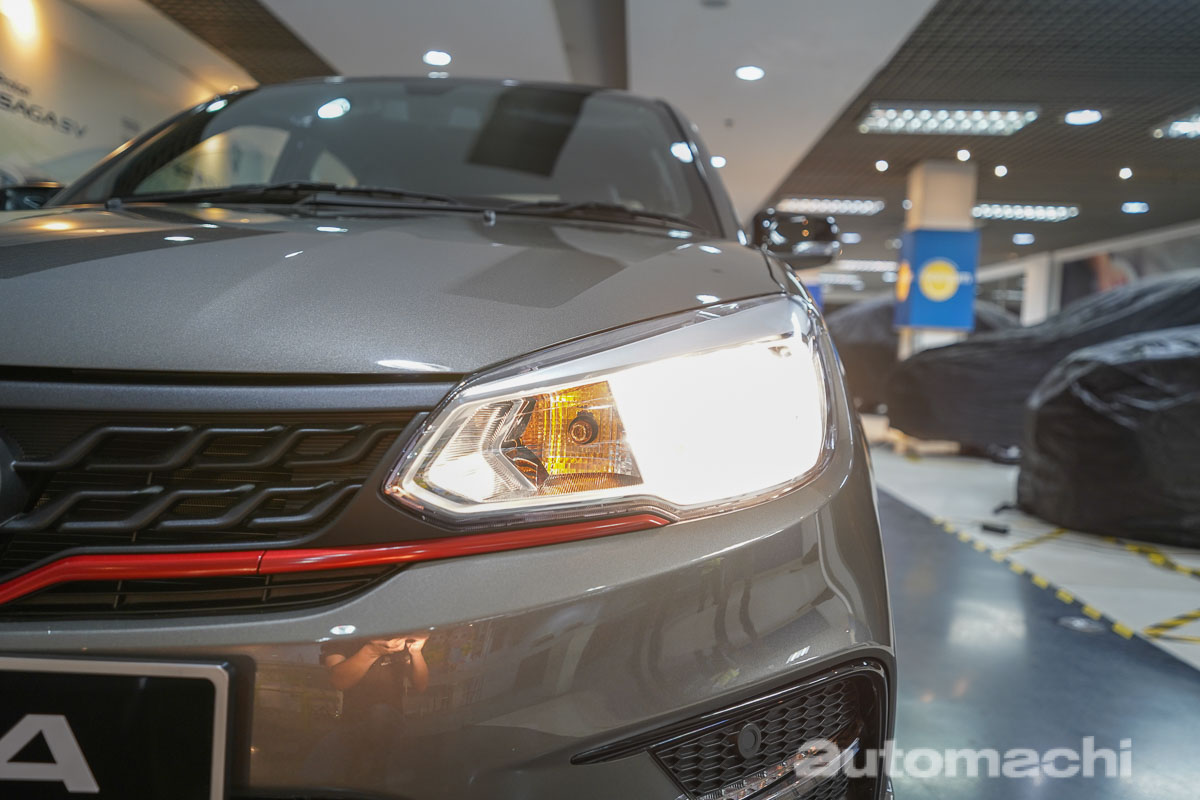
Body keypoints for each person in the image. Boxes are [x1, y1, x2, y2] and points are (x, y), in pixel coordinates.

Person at [313, 634, 430, 782]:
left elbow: (421, 685)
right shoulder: (343, 636)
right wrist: (371, 652)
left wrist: (416, 652)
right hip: (353, 724)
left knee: (381, 715)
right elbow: (338, 681)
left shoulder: (399, 634)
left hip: (392, 726)